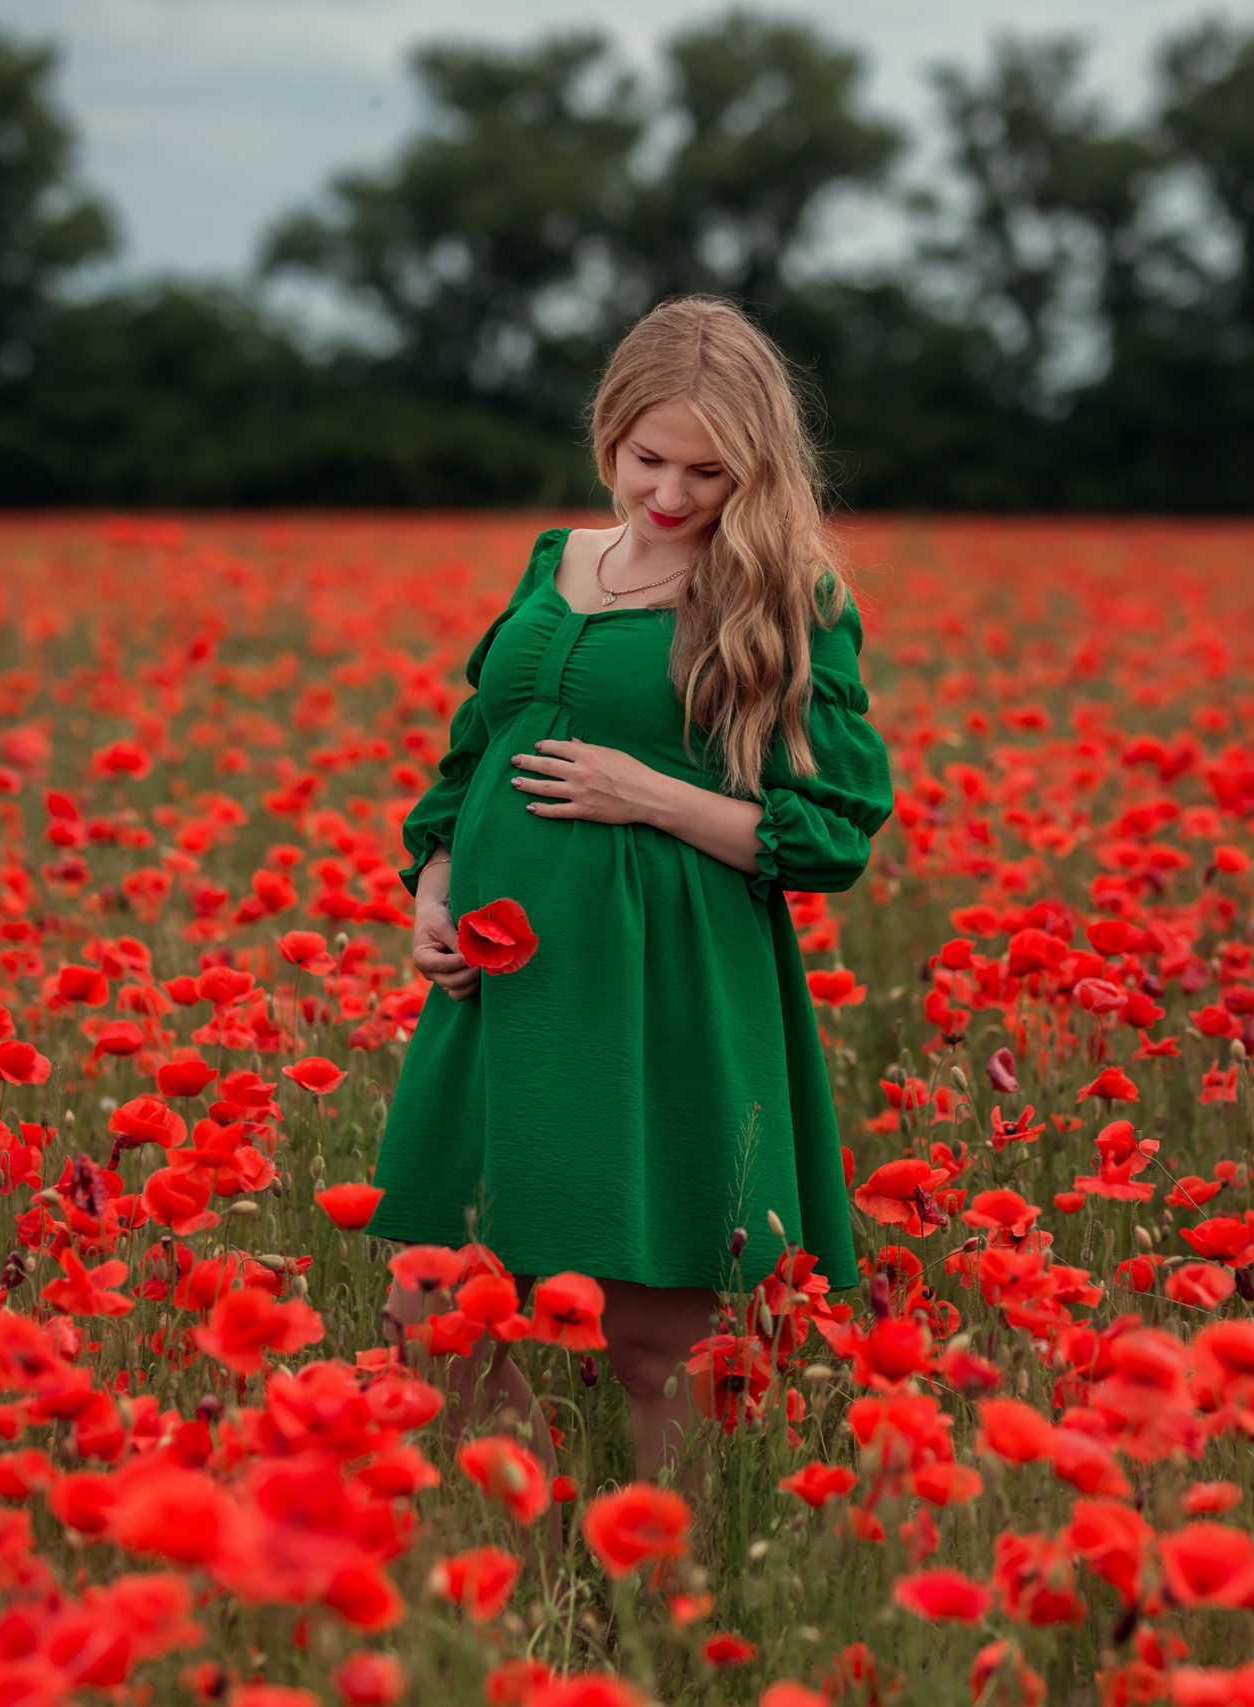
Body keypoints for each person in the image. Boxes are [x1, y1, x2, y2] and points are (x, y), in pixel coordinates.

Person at [363, 295, 893, 1490]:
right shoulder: (560, 559)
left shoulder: (781, 596)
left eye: (707, 472)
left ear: (755, 468)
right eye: (647, 459)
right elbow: (472, 752)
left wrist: (647, 794)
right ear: (609, 433)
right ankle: (539, 1587)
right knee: (434, 1300)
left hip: (664, 978)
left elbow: (834, 832)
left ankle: (662, 1609)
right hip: (504, 983)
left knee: (661, 1337)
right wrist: (434, 887)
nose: (668, 495)